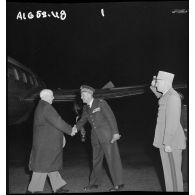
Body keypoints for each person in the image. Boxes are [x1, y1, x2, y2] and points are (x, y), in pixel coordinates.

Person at [74, 85, 124, 192]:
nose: (81, 97)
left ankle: (118, 184)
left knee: (112, 159)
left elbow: (111, 117)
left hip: (107, 136)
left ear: (89, 94)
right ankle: (95, 183)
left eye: (83, 95)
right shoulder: (85, 108)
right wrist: (73, 129)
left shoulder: (101, 103)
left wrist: (115, 133)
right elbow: (82, 121)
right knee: (95, 160)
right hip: (95, 138)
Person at [26, 89, 77, 194]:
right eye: (52, 96)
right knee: (41, 167)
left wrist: (62, 135)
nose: (53, 98)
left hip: (46, 142)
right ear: (46, 96)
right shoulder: (46, 106)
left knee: (51, 164)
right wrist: (70, 130)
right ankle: (33, 190)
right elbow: (58, 121)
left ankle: (58, 187)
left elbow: (52, 124)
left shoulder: (42, 106)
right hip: (45, 144)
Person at [150, 71, 186, 192]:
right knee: (168, 175)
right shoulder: (166, 95)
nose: (156, 84)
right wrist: (153, 86)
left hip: (171, 142)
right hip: (165, 141)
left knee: (173, 176)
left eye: (158, 82)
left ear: (165, 82)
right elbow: (160, 97)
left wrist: (168, 142)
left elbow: (172, 121)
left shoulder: (173, 97)